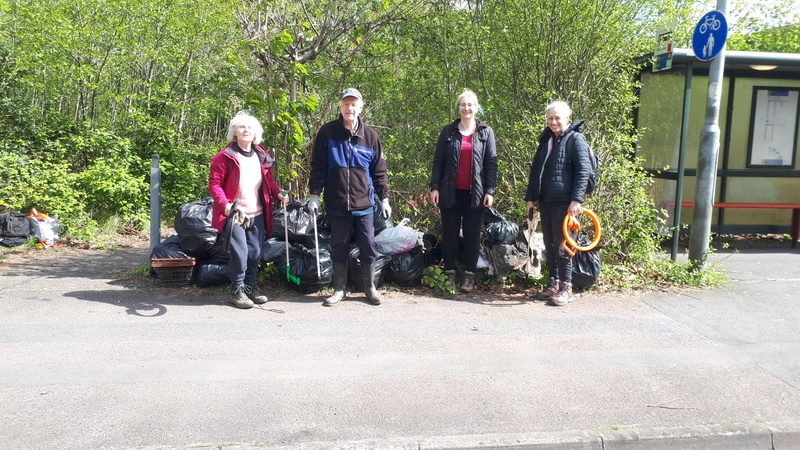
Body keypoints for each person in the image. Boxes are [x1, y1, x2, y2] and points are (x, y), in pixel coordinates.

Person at [307, 88, 391, 307]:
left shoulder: (370, 136)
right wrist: (314, 195)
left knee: (368, 245)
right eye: (346, 104)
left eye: (354, 104)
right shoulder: (328, 133)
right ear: (340, 106)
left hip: (365, 203)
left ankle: (370, 288)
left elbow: (379, 170)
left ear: (361, 107)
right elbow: (318, 167)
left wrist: (384, 199)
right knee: (339, 245)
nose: (349, 108)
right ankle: (339, 289)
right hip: (336, 202)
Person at [209, 112, 286, 309]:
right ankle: (237, 290)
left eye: (249, 128)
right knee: (240, 253)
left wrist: (278, 194)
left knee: (255, 253)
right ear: (234, 132)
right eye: (241, 127)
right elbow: (215, 184)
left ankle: (251, 287)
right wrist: (225, 204)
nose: (245, 130)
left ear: (255, 133)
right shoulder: (225, 157)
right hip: (235, 214)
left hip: (258, 213)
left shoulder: (260, 155)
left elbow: (268, 182)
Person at [429, 89, 498, 292]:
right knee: (449, 234)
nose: (466, 108)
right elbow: (438, 162)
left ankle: (469, 275)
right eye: (463, 104)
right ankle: (449, 273)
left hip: (475, 194)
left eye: (470, 105)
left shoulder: (486, 133)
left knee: (472, 235)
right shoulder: (448, 132)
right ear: (458, 108)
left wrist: (490, 191)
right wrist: (434, 187)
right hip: (450, 191)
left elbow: (491, 164)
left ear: (476, 108)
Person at [525, 101, 592, 306]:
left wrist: (576, 200)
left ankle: (566, 288)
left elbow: (584, 171)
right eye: (550, 118)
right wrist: (530, 198)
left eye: (557, 118)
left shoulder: (576, 140)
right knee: (550, 245)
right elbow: (536, 171)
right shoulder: (546, 141)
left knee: (564, 246)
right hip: (546, 200)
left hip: (565, 203)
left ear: (566, 119)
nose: (553, 122)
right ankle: (553, 284)